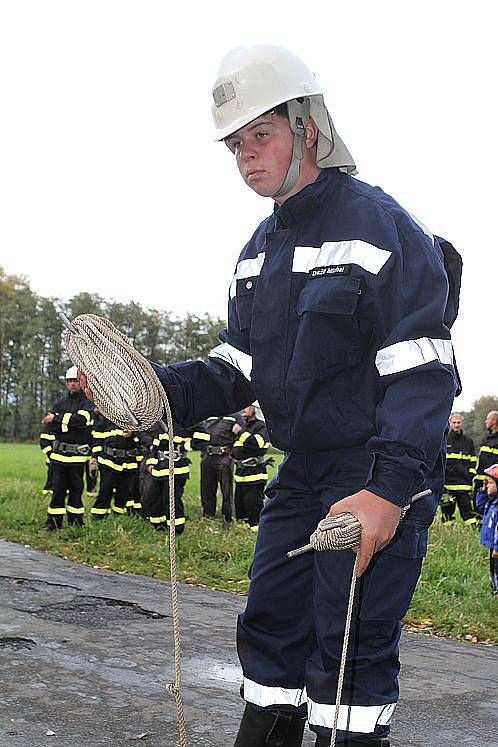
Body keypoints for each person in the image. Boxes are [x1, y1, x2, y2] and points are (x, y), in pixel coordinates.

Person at [80, 45, 461, 747]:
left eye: (261, 133)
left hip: (371, 470)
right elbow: (236, 367)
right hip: (302, 472)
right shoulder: (259, 250)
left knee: (348, 650)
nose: (245, 154)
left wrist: (390, 489)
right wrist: (156, 391)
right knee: (271, 627)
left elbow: (423, 370)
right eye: (234, 144)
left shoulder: (382, 227)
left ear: (307, 126)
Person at [42, 366, 94, 529]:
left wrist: (57, 419)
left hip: (77, 458)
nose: (72, 384)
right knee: (57, 491)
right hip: (58, 457)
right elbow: (49, 428)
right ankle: (53, 523)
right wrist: (50, 452)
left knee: (76, 491)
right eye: (70, 381)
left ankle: (75, 522)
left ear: (81, 382)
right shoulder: (59, 402)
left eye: (75, 381)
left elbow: (82, 420)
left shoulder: (87, 402)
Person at [191, 415, 243, 523]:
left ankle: (228, 519)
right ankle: (208, 517)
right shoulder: (208, 415)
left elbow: (241, 434)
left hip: (224, 457)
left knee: (226, 490)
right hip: (207, 456)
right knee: (206, 489)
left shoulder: (236, 416)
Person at [90, 409, 141, 518]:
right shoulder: (107, 415)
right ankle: (99, 515)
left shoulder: (135, 416)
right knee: (105, 488)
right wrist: (94, 457)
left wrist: (133, 434)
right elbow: (98, 436)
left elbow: (143, 436)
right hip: (108, 459)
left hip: (127, 460)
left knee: (123, 489)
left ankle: (118, 514)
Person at [143, 423, 192, 533]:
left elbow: (203, 438)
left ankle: (176, 530)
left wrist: (183, 448)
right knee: (154, 499)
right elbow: (155, 447)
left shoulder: (187, 424)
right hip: (159, 470)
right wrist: (151, 462)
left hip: (177, 470)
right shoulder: (162, 427)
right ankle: (159, 526)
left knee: (171, 501)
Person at [233, 405, 271, 530]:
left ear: (255, 410)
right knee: (240, 504)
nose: (243, 409)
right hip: (240, 473)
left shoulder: (262, 426)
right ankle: (243, 528)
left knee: (253, 504)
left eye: (247, 407)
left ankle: (256, 529)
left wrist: (240, 432)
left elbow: (256, 444)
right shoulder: (244, 425)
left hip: (254, 473)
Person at [441, 413, 477, 525]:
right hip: (447, 484)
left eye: (458, 422)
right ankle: (449, 530)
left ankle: (473, 528)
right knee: (447, 511)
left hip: (463, 483)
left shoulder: (468, 441)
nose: (456, 425)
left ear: (462, 423)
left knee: (467, 510)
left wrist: (470, 475)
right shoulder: (444, 439)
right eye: (454, 422)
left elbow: (473, 460)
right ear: (450, 423)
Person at [474, 464, 498, 595]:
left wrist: (497, 548)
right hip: (492, 545)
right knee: (492, 571)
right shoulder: (492, 501)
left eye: (490, 483)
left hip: (496, 547)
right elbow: (479, 506)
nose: (487, 485)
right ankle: (495, 593)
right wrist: (483, 490)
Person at [474, 411, 498, 494]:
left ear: (494, 421)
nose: (485, 421)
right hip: (480, 481)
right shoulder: (486, 437)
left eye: (488, 419)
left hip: (493, 483)